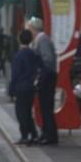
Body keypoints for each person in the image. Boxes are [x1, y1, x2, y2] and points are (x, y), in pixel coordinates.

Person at [27, 17, 58, 145]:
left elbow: (48, 60)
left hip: (47, 77)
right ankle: (46, 132)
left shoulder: (42, 39)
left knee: (46, 107)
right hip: (45, 76)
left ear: (33, 28)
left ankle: (50, 135)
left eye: (29, 28)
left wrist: (40, 77)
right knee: (44, 107)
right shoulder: (38, 39)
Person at [8, 29, 41, 145]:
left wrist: (11, 90)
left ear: (19, 39)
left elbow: (15, 74)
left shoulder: (19, 55)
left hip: (21, 87)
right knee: (27, 112)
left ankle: (25, 135)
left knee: (21, 112)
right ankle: (34, 134)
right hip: (31, 87)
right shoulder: (34, 54)